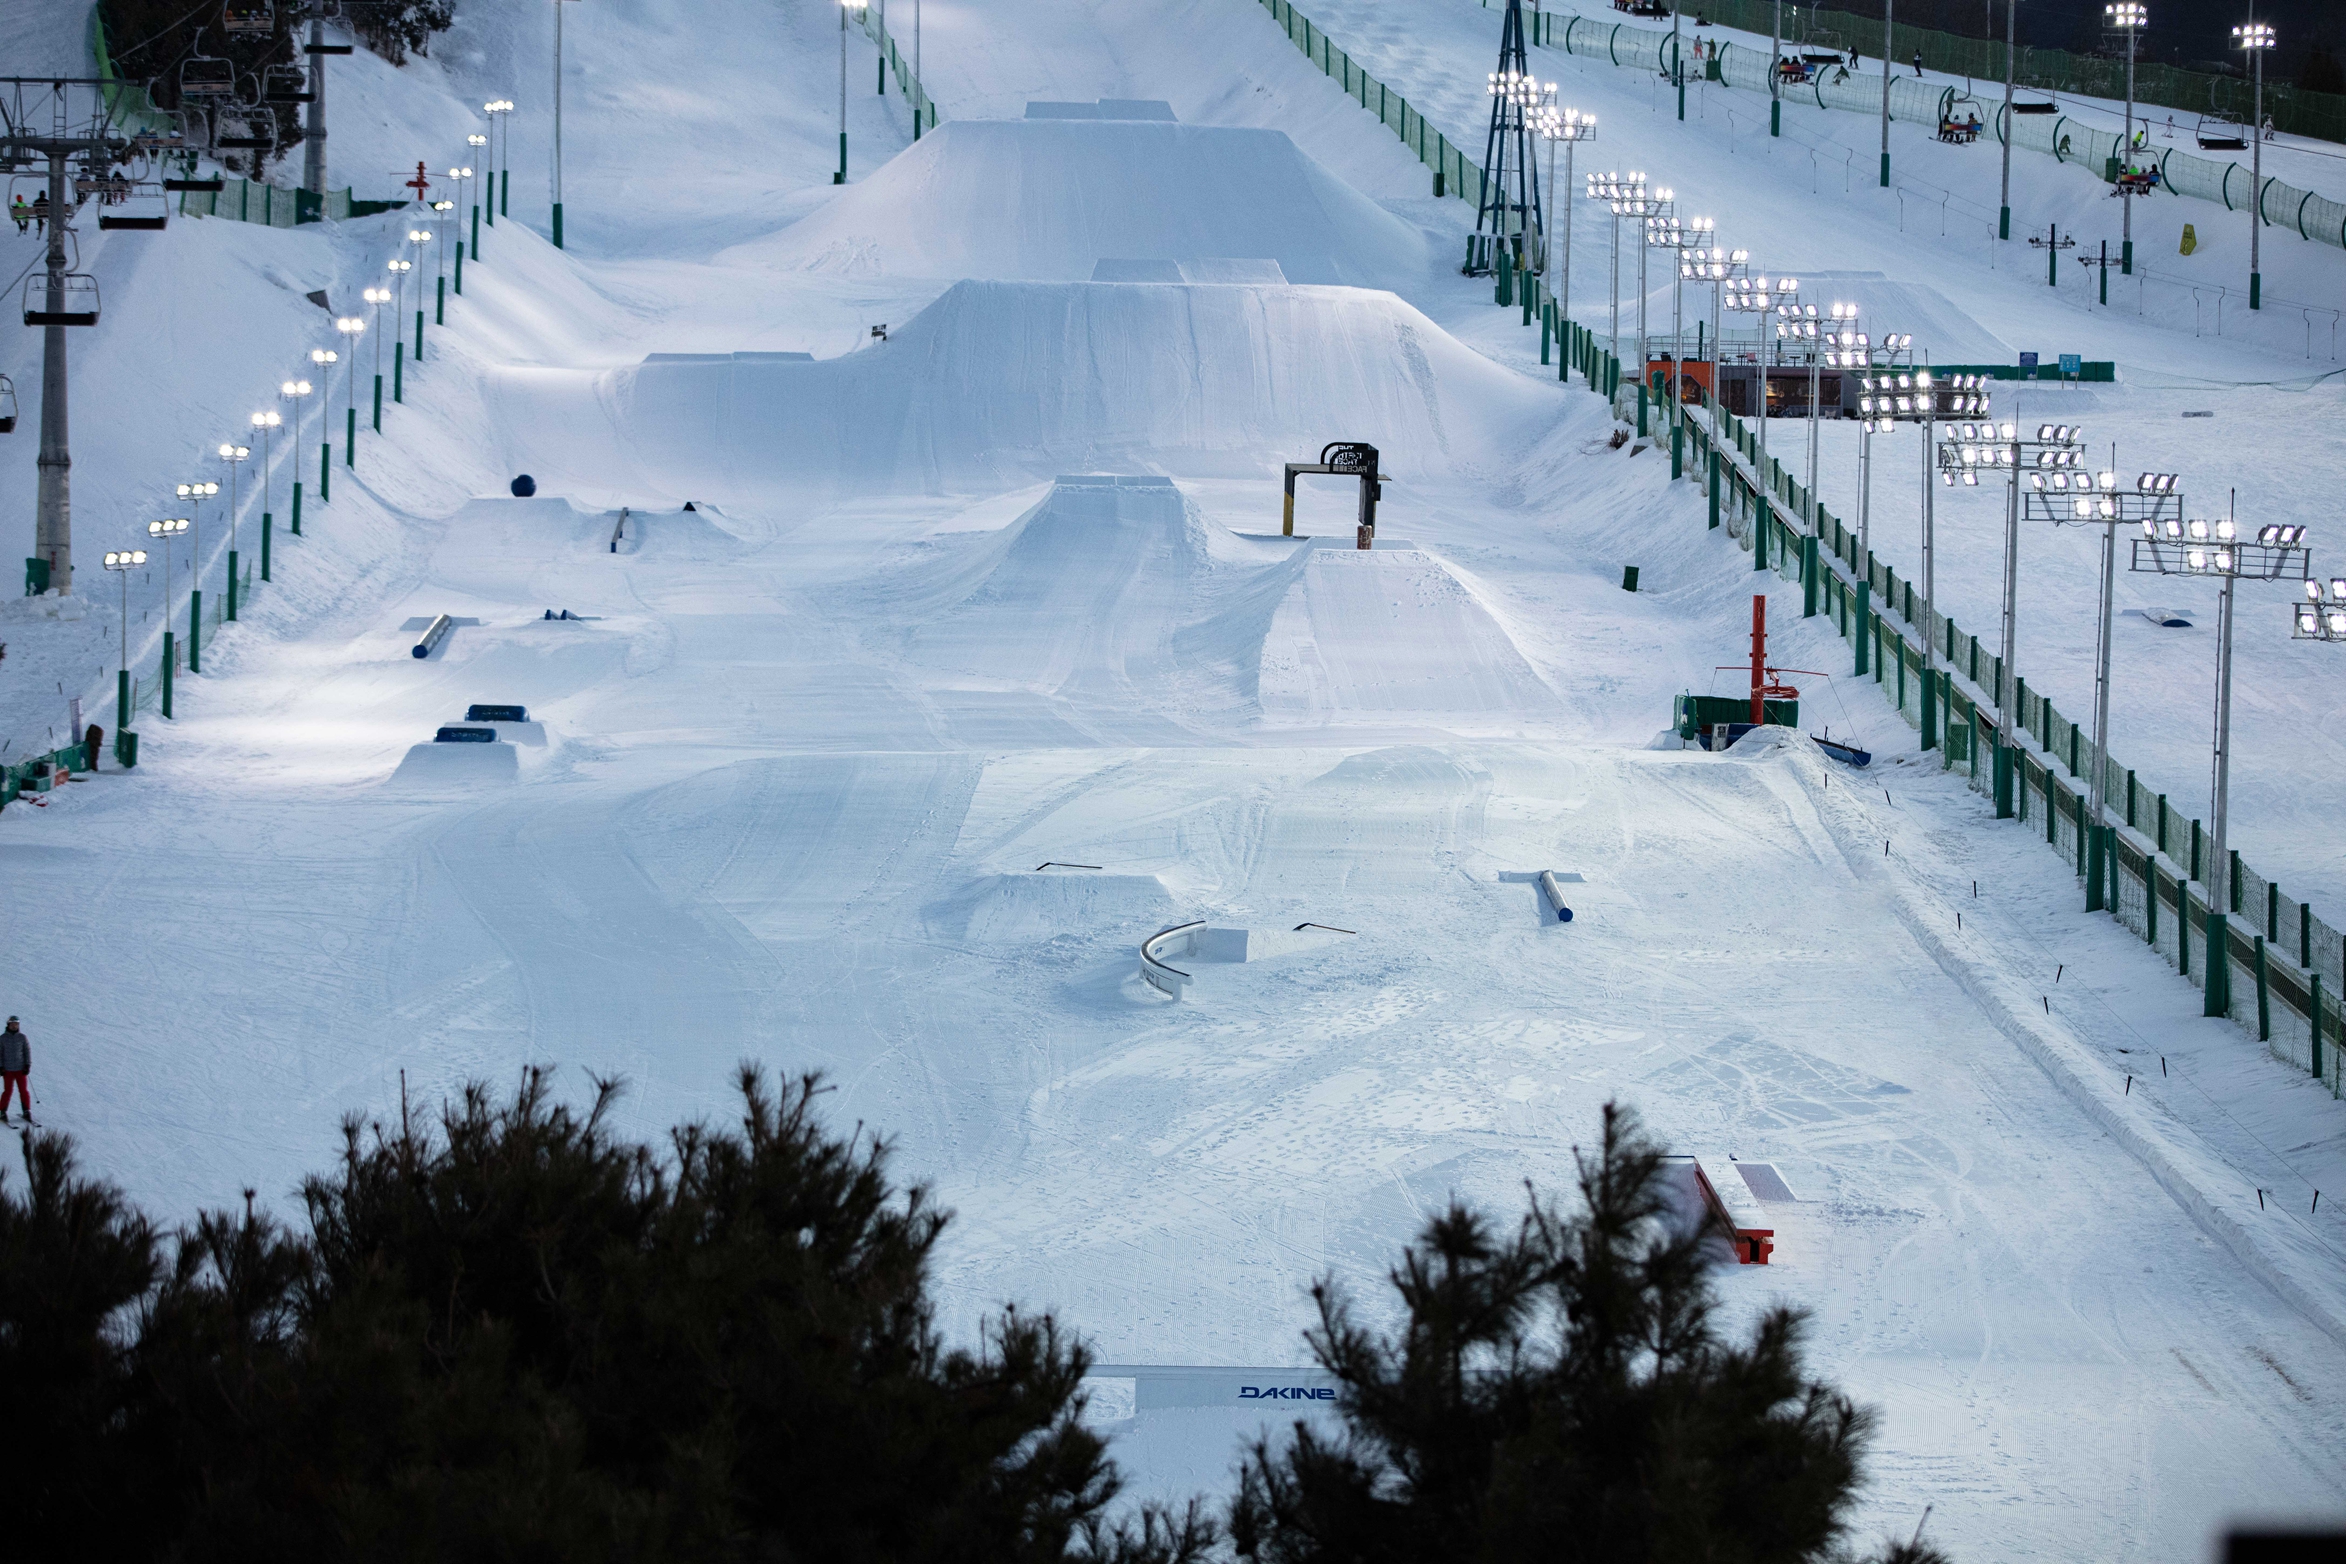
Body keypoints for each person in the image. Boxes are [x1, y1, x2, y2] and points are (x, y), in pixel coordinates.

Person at [0, 1018, 30, 1125]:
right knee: (8, 1091)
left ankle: (26, 1111)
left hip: (20, 1069)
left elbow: (26, 1051)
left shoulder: (22, 1037)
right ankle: (3, 1111)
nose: (14, 1026)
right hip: (8, 1070)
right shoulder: (3, 1038)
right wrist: (1, 1067)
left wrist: (27, 1065)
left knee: (23, 1090)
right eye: (12, 1024)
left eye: (16, 1024)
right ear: (8, 1025)